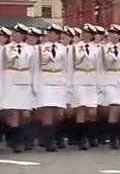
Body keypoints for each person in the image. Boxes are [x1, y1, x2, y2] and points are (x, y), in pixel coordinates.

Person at [1, 24, 38, 153]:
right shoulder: (5, 49)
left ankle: (22, 137)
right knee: (13, 113)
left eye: (18, 33)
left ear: (23, 35)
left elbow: (35, 69)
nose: (16, 35)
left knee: (25, 114)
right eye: (14, 33)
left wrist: (35, 85)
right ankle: (17, 141)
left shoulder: (31, 49)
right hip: (9, 82)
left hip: (25, 82)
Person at [35, 24, 69, 152]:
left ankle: (55, 137)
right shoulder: (40, 48)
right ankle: (49, 141)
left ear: (58, 35)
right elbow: (36, 67)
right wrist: (36, 83)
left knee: (58, 113)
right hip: (45, 80)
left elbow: (67, 67)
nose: (50, 35)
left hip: (59, 81)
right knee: (47, 110)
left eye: (53, 33)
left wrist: (67, 83)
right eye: (49, 33)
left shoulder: (63, 49)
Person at [70, 24, 102, 150]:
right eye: (84, 33)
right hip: (79, 78)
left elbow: (100, 67)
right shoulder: (74, 48)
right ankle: (82, 138)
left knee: (92, 111)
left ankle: (91, 135)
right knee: (81, 108)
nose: (86, 35)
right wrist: (70, 83)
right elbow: (69, 67)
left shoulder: (98, 49)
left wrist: (100, 82)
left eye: (88, 33)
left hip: (93, 79)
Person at [100, 24, 120, 149]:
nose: (113, 36)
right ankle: (114, 139)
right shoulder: (103, 49)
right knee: (114, 109)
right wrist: (101, 84)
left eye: (115, 33)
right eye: (111, 33)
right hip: (109, 80)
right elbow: (100, 68)